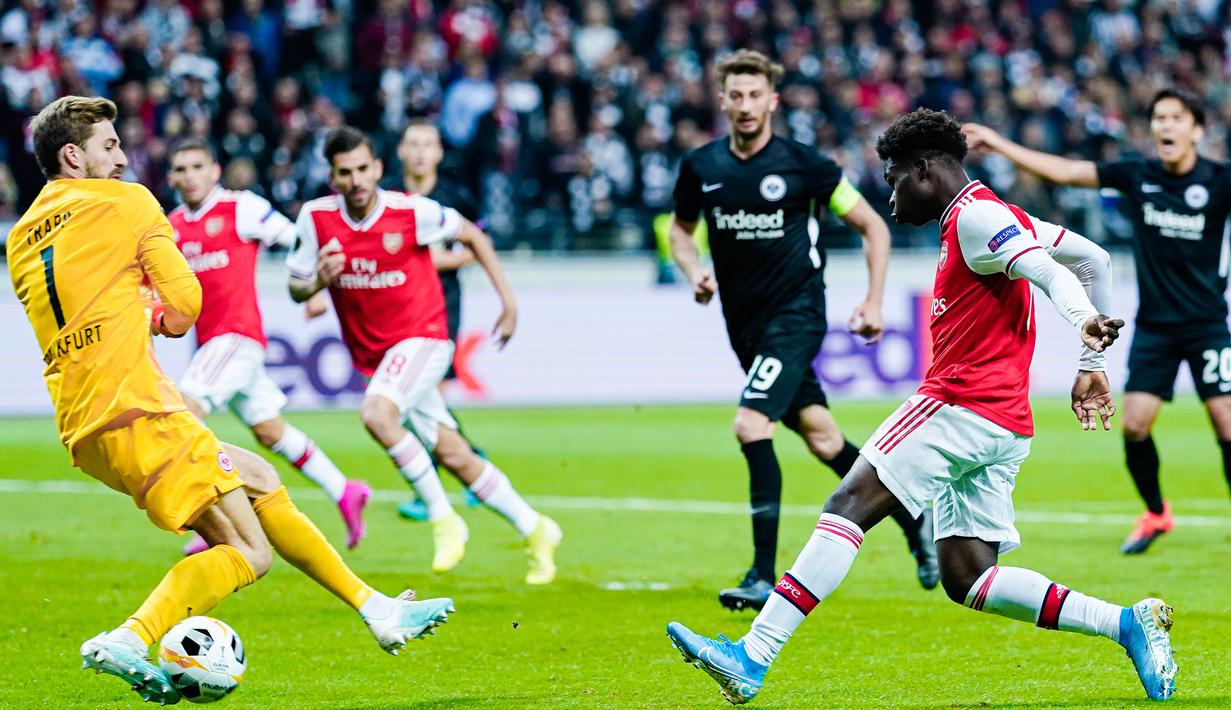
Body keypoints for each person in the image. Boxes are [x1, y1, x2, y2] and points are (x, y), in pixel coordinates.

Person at [665, 108, 1176, 704]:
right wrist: (1091, 368)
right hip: (1003, 421)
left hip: (961, 404)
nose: (890, 197)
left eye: (893, 178)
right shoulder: (1002, 214)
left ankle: (753, 654)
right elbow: (1095, 260)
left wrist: (1086, 327)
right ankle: (1126, 624)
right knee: (967, 576)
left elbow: (1047, 273)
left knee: (848, 500)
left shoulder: (978, 219)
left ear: (925, 169)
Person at [6, 97, 453, 704]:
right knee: (247, 551)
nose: (122, 156)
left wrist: (133, 308)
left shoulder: (22, 234)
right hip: (141, 406)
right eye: (110, 146)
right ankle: (131, 637)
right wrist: (162, 315)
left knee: (258, 474)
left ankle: (375, 608)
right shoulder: (129, 201)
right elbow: (186, 304)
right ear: (72, 154)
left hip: (85, 425)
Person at [669, 49, 935, 610]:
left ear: (772, 100)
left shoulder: (805, 167)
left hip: (797, 315)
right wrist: (693, 269)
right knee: (824, 438)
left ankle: (761, 573)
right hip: (744, 328)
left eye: (754, 95)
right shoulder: (701, 168)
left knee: (750, 424)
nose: (745, 106)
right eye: (735, 96)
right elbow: (679, 230)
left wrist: (873, 298)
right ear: (722, 100)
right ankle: (916, 521)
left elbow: (871, 227)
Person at [286, 126, 562, 584]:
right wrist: (316, 280)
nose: (355, 181)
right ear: (332, 178)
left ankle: (443, 518)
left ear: (376, 168)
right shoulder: (315, 219)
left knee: (376, 414)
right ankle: (536, 528)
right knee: (455, 453)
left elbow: (473, 235)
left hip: (425, 337)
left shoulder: (411, 211)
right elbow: (297, 287)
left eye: (362, 169)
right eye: (344, 173)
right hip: (378, 354)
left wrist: (508, 302)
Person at [963, 89, 1231, 554]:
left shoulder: (1221, 181)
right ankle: (1155, 513)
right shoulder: (1137, 174)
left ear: (1197, 129)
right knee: (1134, 426)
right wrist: (1001, 144)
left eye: (1176, 118)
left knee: (1226, 422)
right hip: (1155, 327)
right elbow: (1066, 172)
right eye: (1158, 118)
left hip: (1208, 322)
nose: (1165, 126)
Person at [166, 139, 371, 552]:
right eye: (180, 169)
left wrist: (313, 288)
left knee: (183, 415)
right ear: (171, 177)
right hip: (211, 343)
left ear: (214, 171)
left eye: (196, 166)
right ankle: (344, 489)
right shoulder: (172, 226)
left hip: (236, 337)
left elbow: (297, 237)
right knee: (268, 430)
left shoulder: (241, 207)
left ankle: (217, 522)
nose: (189, 176)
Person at [395, 118, 484, 522]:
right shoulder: (389, 199)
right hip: (397, 308)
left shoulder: (454, 197)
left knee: (422, 395)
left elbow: (478, 244)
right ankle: (473, 461)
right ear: (400, 151)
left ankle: (434, 481)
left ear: (438, 153)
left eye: (427, 144)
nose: (419, 151)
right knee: (419, 399)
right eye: (412, 143)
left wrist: (430, 261)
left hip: (441, 305)